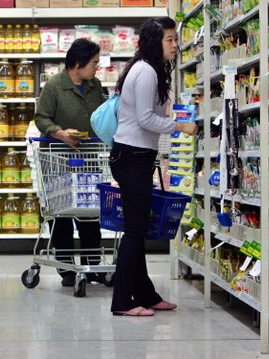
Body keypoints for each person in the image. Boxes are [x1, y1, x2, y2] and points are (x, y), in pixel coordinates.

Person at [109, 17, 198, 317]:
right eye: (169, 39)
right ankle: (122, 301)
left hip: (137, 156)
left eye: (175, 39)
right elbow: (146, 118)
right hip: (131, 157)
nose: (175, 45)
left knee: (138, 229)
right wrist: (179, 127)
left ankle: (146, 294)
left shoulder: (149, 69)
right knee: (134, 232)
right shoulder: (146, 71)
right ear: (154, 42)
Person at [34, 38, 106, 287]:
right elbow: (41, 118)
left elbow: (102, 113)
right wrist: (61, 133)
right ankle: (66, 269)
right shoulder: (54, 86)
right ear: (78, 63)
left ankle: (93, 266)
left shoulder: (95, 85)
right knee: (61, 217)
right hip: (58, 159)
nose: (97, 68)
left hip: (87, 159)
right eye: (94, 63)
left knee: (90, 216)